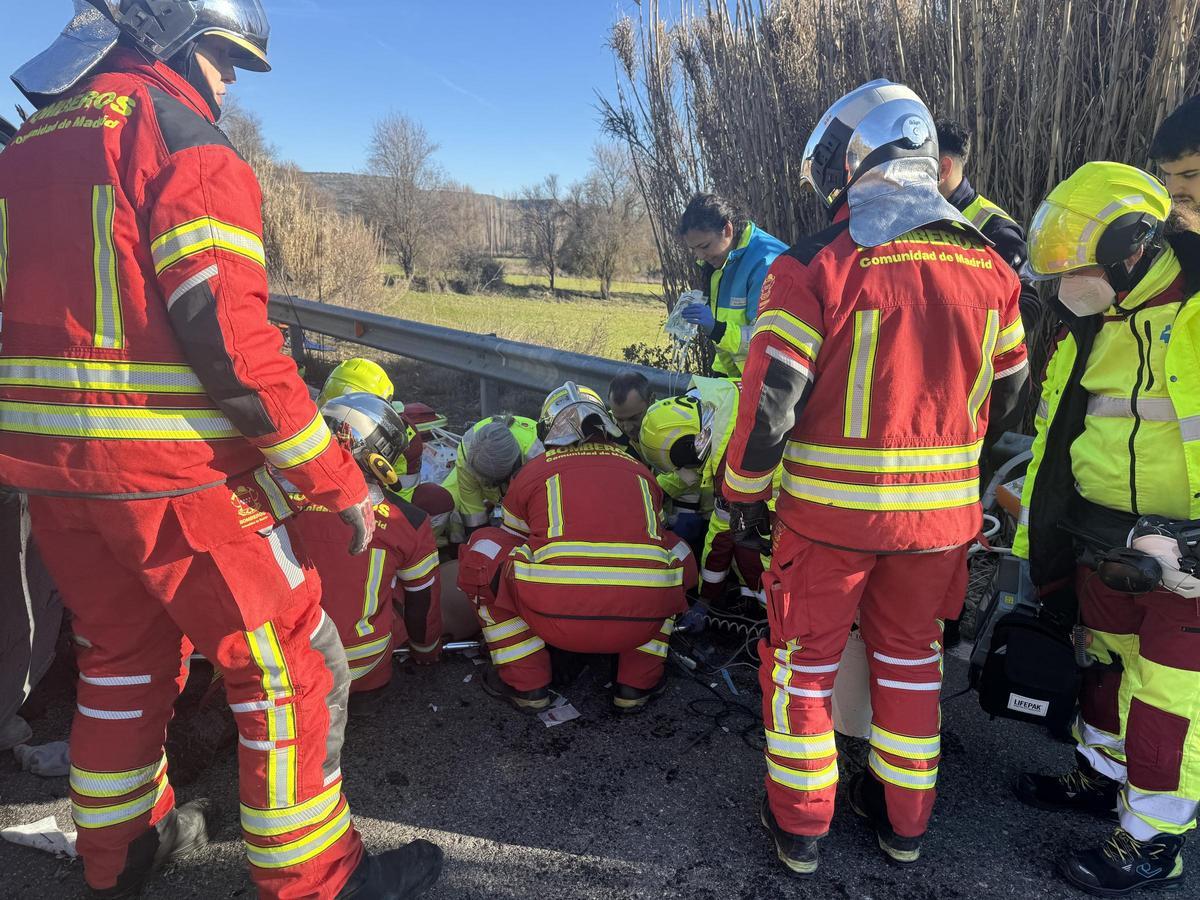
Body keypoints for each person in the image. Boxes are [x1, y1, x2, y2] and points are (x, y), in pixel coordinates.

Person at [0, 4, 441, 898]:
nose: (229, 83)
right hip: (177, 477)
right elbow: (233, 344)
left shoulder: (30, 142)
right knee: (292, 662)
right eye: (222, 59)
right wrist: (335, 482)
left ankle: (118, 855)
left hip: (52, 477)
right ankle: (317, 881)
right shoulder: (184, 142)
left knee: (121, 661)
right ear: (170, 40)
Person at [720, 80, 1028, 875]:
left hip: (829, 522)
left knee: (804, 666)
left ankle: (800, 828)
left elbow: (769, 406)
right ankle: (903, 825)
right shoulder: (990, 266)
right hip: (941, 529)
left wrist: (742, 499)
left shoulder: (817, 264)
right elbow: (1011, 384)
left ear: (861, 156)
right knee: (910, 664)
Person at [1012, 159, 1199, 896]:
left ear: (1132, 246)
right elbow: (1056, 445)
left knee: (1168, 697)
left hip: (1186, 555)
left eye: (1078, 267)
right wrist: (1038, 545)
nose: (1066, 286)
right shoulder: (1093, 325)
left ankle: (1154, 840)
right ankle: (1100, 779)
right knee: (1103, 667)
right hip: (1101, 539)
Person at [457, 383, 697, 713]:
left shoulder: (533, 472)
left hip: (555, 616)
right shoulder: (643, 474)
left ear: (547, 431)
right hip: (639, 619)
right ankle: (637, 683)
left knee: (483, 551)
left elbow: (512, 537)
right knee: (675, 553)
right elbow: (657, 535)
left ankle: (527, 683)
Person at [289, 394, 442, 713]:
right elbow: (422, 604)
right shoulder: (409, 521)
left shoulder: (277, 504)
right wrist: (425, 652)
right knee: (400, 586)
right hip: (363, 670)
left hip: (289, 666)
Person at [640, 377, 772, 609]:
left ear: (697, 443)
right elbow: (687, 469)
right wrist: (649, 491)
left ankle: (773, 614)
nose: (682, 474)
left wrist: (705, 599)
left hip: (791, 515)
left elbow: (721, 536)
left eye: (681, 466)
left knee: (748, 552)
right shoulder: (719, 399)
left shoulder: (731, 469)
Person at [936, 121, 1043, 333]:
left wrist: (972, 339)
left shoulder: (995, 228)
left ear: (943, 168)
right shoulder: (920, 216)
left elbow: (1028, 306)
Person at [677, 193, 788, 378]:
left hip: (769, 383)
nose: (700, 256)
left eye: (704, 246)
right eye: (693, 249)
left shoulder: (767, 265)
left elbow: (769, 340)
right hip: (740, 379)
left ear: (728, 229)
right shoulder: (725, 259)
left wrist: (716, 328)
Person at [442, 414, 543, 538]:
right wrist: (478, 541)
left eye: (490, 482)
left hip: (531, 481)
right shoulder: (467, 454)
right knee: (446, 503)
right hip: (479, 469)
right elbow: (472, 510)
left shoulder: (538, 454)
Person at [607, 369, 654, 460]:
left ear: (651, 401)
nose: (628, 428)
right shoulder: (606, 429)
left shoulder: (671, 429)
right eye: (619, 420)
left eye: (634, 418)